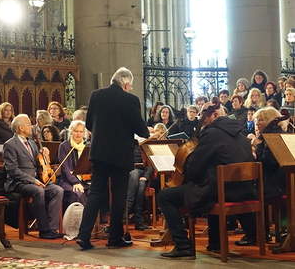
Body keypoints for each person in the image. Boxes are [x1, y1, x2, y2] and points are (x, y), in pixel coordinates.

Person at [158, 102, 256, 258]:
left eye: (205, 113)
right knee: (212, 184)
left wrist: (187, 171)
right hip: (245, 191)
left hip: (222, 193)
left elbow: (195, 168)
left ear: (215, 115)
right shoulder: (239, 132)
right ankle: (215, 243)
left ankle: (183, 246)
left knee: (165, 196)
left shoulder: (212, 133)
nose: (201, 117)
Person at [76, 67, 149, 250]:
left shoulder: (96, 95)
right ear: (125, 83)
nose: (130, 88)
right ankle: (114, 239)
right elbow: (142, 131)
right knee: (118, 197)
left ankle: (83, 236)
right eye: (130, 85)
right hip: (120, 155)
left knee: (95, 193)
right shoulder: (130, 100)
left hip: (99, 153)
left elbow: (90, 123)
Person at [3, 114, 64, 239]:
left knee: (58, 190)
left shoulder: (32, 142)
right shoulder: (10, 145)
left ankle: (52, 228)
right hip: (19, 183)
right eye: (28, 124)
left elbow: (39, 163)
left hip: (37, 180)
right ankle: (44, 230)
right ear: (20, 128)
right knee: (38, 191)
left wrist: (44, 154)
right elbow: (12, 170)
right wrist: (32, 180)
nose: (31, 127)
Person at [58, 120, 88, 212]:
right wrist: (75, 182)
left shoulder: (87, 146)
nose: (78, 134)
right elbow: (65, 168)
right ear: (71, 132)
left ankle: (93, 221)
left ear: (84, 133)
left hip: (85, 179)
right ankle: (76, 222)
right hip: (67, 180)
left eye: (81, 131)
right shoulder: (64, 146)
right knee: (77, 193)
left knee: (96, 192)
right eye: (76, 131)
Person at [126, 143, 153, 230]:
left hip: (142, 173)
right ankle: (138, 220)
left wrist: (145, 176)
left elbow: (150, 164)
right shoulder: (124, 143)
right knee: (139, 182)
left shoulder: (145, 145)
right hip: (128, 173)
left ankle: (126, 212)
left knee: (139, 179)